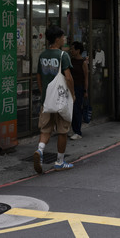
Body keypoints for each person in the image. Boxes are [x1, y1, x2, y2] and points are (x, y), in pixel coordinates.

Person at [33, 25, 75, 173]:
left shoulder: (43, 55)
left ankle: (40, 150)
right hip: (61, 99)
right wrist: (73, 94)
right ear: (57, 39)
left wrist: (42, 90)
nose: (64, 39)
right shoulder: (63, 56)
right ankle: (60, 161)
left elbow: (38, 75)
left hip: (47, 99)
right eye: (63, 37)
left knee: (45, 129)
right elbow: (68, 77)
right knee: (62, 130)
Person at [68, 41, 89, 140]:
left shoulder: (83, 62)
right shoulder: (71, 61)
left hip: (79, 88)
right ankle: (73, 129)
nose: (71, 50)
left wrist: (85, 90)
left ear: (78, 50)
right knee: (70, 109)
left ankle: (78, 132)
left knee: (76, 109)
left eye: (73, 49)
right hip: (70, 88)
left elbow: (86, 77)